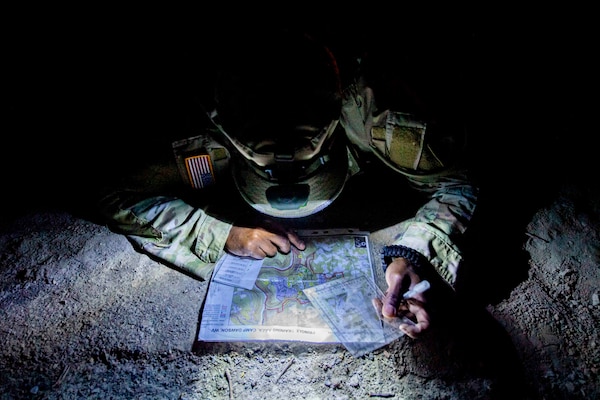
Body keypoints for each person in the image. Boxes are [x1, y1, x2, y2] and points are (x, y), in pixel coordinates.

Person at [97, 28, 478, 339]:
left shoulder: (372, 112)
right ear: (224, 130)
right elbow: (109, 190)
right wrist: (220, 233)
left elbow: (459, 182)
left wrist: (414, 254)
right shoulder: (192, 127)